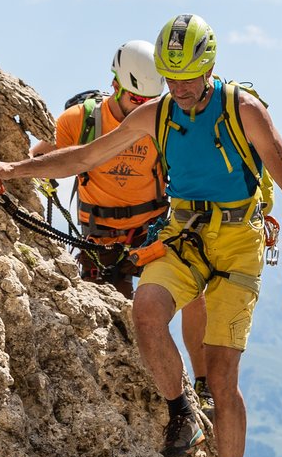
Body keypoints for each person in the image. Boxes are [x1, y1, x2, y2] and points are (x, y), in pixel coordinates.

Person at [0, 13, 282, 457]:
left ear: (208, 67)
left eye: (188, 76)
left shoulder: (241, 110)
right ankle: (180, 409)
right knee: (146, 314)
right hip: (183, 234)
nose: (179, 88)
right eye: (171, 76)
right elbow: (86, 156)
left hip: (237, 244)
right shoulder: (157, 113)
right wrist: (13, 171)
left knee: (224, 377)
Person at [31, 39, 213, 408]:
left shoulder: (164, 123)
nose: (142, 111)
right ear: (115, 85)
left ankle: (204, 383)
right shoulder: (80, 121)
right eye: (135, 101)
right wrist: (30, 167)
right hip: (101, 241)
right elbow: (52, 157)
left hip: (151, 232)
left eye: (149, 103)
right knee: (120, 319)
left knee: (195, 291)